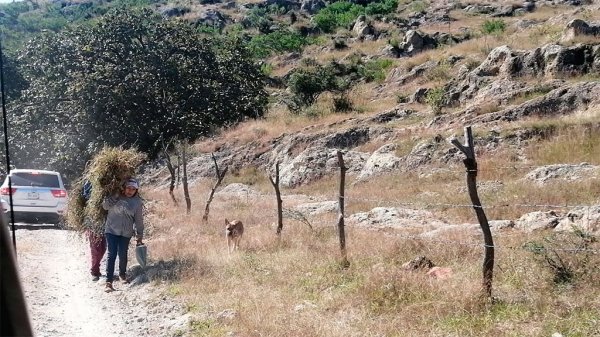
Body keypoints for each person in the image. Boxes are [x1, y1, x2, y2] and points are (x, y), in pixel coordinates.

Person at [103, 177, 144, 293]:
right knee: (112, 254)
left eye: (133, 189)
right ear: (124, 188)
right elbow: (105, 206)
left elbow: (139, 220)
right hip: (111, 230)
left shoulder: (137, 202)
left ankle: (122, 274)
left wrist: (139, 235)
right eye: (128, 188)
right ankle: (108, 281)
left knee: (123, 253)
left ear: (136, 190)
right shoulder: (115, 197)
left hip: (126, 232)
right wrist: (115, 196)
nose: (130, 191)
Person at [82, 180, 106, 282]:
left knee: (103, 248)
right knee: (96, 248)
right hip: (93, 220)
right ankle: (94, 270)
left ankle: (96, 266)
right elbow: (86, 196)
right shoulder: (89, 182)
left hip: (106, 220)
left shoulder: (110, 182)